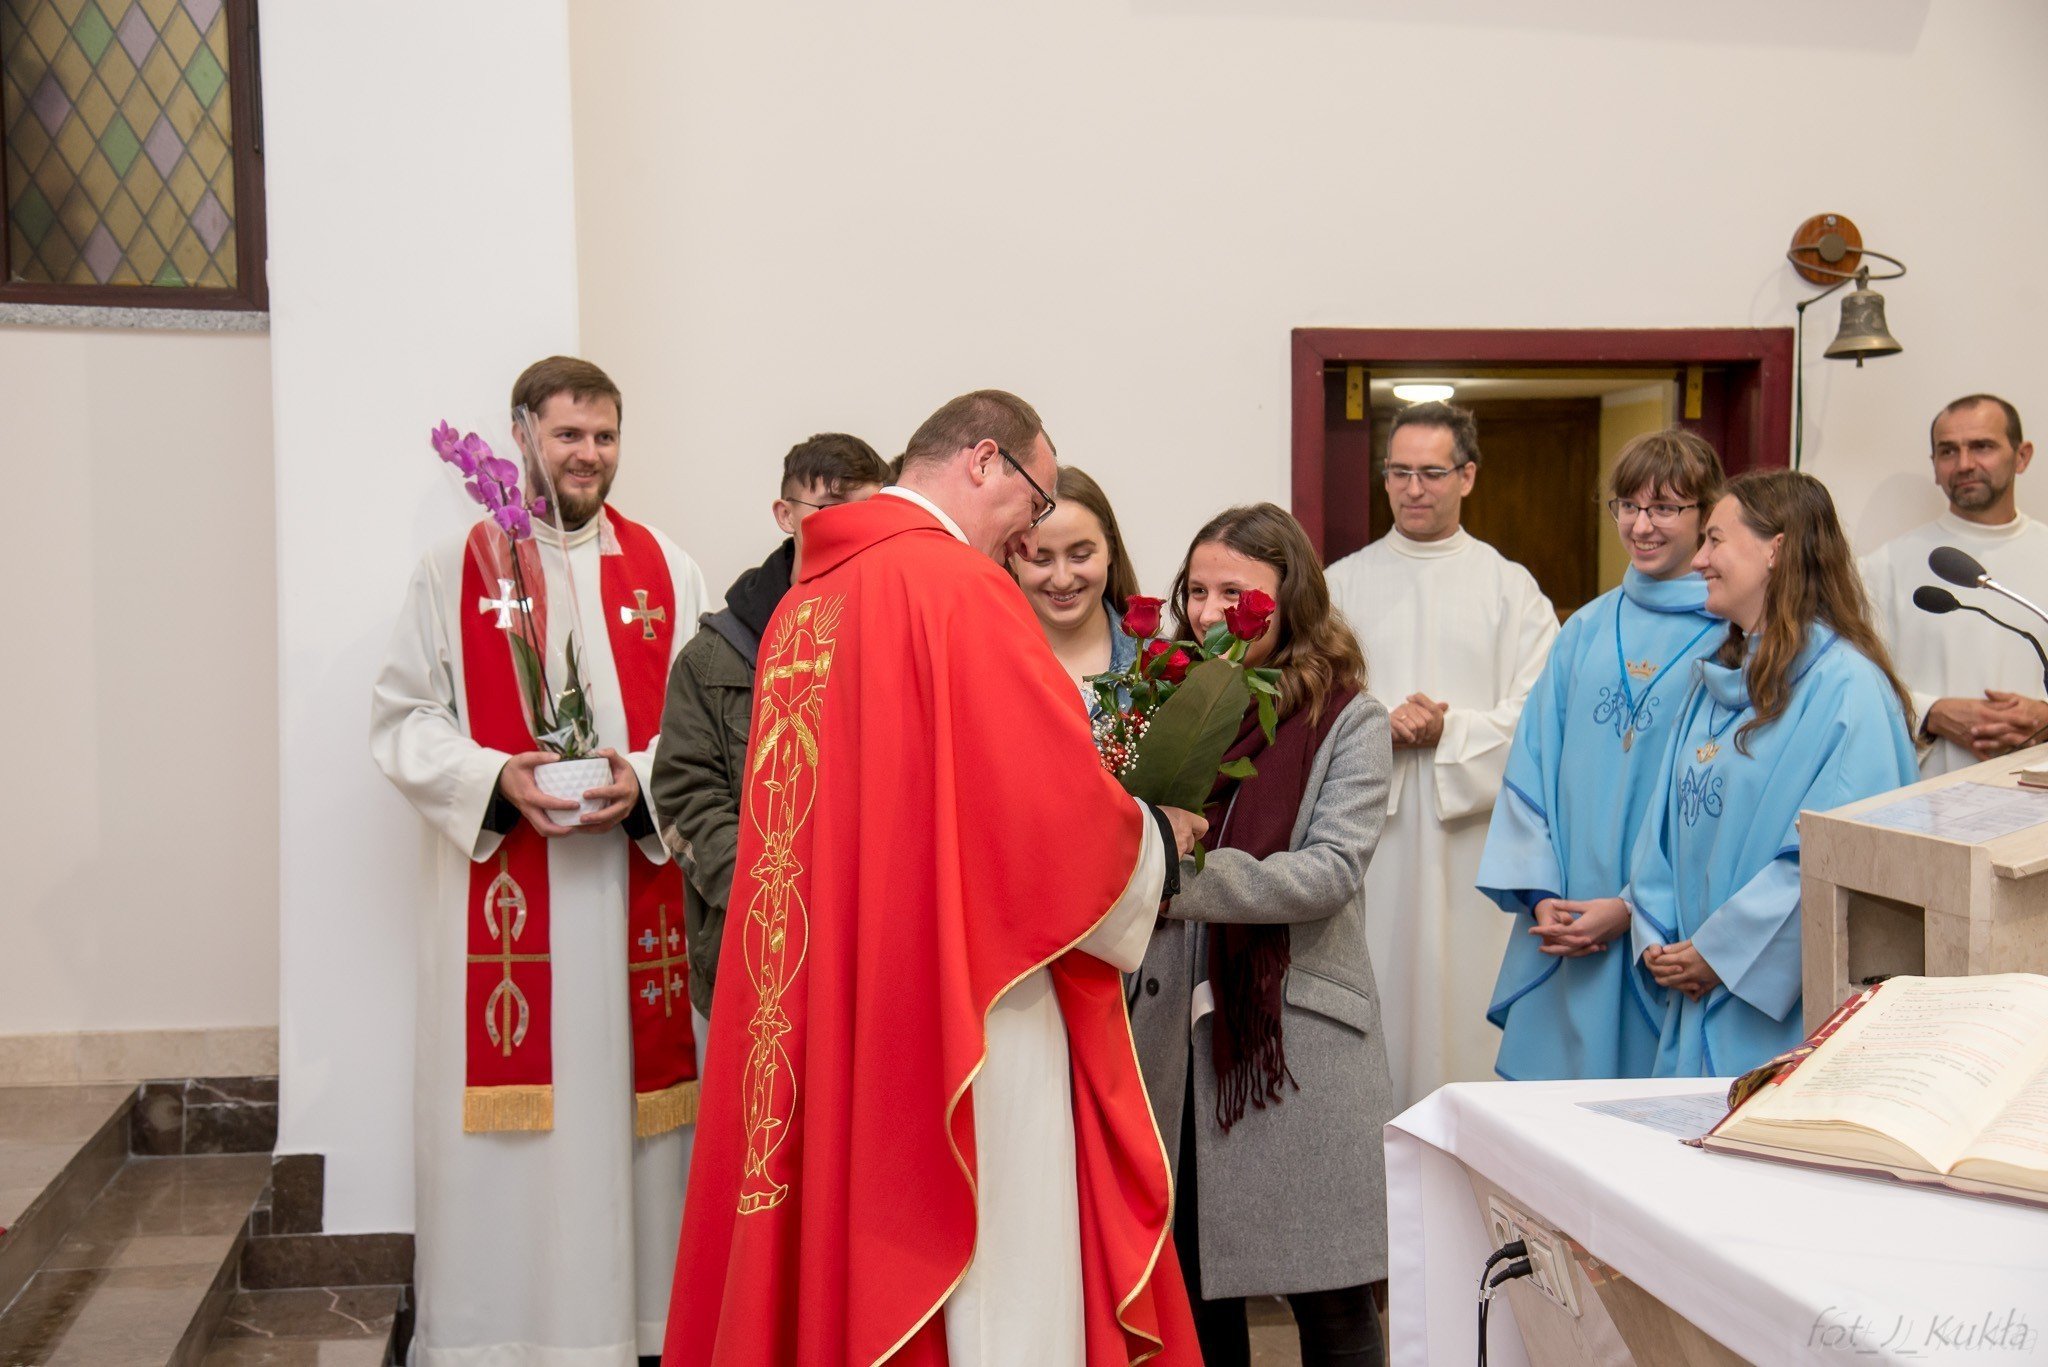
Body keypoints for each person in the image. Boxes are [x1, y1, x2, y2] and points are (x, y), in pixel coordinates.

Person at [664, 391, 1205, 1367]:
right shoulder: (956, 587)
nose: (1030, 532)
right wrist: (1156, 842)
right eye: (1035, 500)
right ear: (985, 460)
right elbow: (1046, 811)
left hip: (835, 992)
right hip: (966, 998)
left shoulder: (807, 600)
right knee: (993, 1265)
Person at [370, 356, 710, 1365]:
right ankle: (502, 1334)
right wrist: (494, 776)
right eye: (568, 434)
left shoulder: (668, 569)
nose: (587, 454)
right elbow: (402, 719)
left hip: (630, 896)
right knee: (521, 1151)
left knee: (638, 1136)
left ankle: (641, 1330)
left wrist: (641, 778)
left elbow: (705, 733)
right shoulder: (455, 569)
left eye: (604, 435)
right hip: (512, 914)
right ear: (521, 434)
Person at [1130, 503, 1394, 1367]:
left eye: (1235, 594)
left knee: (1333, 1304)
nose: (1210, 612)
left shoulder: (1349, 716)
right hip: (1175, 1046)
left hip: (1293, 1044)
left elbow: (1328, 872)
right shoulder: (1162, 701)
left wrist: (1176, 875)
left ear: (1291, 601)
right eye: (1197, 591)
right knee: (1196, 1302)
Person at [1617, 470, 1916, 1077]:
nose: (1698, 560)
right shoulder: (1715, 680)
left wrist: (1721, 953)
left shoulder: (1848, 690)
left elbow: (1835, 860)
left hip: (1778, 1008)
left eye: (1715, 540)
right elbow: (1662, 828)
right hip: (1692, 984)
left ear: (1775, 549)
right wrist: (1660, 937)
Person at [1322, 401, 1558, 1108]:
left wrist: (1447, 733)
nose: (1412, 488)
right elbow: (1310, 703)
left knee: (1463, 1014)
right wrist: (1375, 727)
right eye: (1398, 472)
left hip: (1474, 848)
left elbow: (1541, 718)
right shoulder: (1340, 586)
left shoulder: (1510, 589)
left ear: (1468, 477)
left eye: (1430, 472)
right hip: (1372, 839)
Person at [1476, 429, 1726, 1080]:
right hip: (1569, 918)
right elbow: (1531, 764)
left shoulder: (1733, 635)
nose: (1641, 526)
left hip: (1666, 925)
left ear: (1707, 516)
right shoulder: (1585, 628)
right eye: (1628, 506)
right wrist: (1543, 896)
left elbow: (1726, 803)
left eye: (1665, 508)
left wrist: (1632, 908)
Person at [649, 432, 886, 1020]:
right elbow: (685, 798)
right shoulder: (715, 658)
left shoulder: (898, 628)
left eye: (869, 512)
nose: (852, 530)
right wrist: (775, 898)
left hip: (878, 947)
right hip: (761, 952)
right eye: (829, 510)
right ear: (785, 515)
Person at [1860, 394, 2047, 775]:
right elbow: (1858, 684)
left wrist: (2045, 716)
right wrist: (1931, 712)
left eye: (1982, 446)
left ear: (2022, 456)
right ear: (1934, 465)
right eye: (1948, 451)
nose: (1964, 464)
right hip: (1930, 791)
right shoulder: (1885, 567)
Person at [1010, 466, 1142, 715]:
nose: (1062, 580)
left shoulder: (1161, 665)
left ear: (1111, 551)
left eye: (1080, 556)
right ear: (1012, 559)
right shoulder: (984, 662)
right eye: (1041, 559)